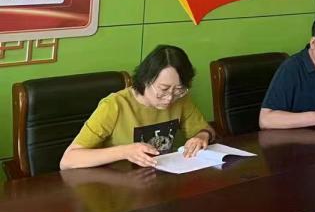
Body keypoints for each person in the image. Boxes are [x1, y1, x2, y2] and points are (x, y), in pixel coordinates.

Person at [60, 45, 214, 169]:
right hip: (118, 183)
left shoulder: (181, 100)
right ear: (146, 79)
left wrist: (202, 136)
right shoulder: (115, 105)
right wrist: (124, 151)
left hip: (161, 179)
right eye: (163, 89)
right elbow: (68, 160)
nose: (169, 98)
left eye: (178, 90)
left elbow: (206, 130)